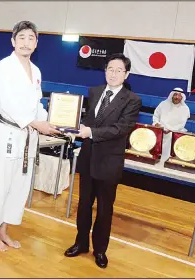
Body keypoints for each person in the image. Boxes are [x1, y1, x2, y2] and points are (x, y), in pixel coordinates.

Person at [0, 21, 60, 252]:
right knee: (0, 185)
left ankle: (4, 229)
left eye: (31, 38)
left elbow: (36, 104)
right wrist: (36, 123)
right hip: (8, 133)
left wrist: (49, 121)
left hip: (28, 136)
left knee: (19, 187)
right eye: (22, 37)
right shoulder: (3, 67)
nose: (26, 42)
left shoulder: (35, 71)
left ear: (36, 43)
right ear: (13, 41)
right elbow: (7, 104)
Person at [64, 53, 141, 268]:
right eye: (110, 69)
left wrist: (91, 132)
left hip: (109, 162)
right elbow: (88, 121)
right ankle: (81, 243)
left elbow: (121, 129)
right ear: (105, 71)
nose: (113, 74)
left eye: (118, 70)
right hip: (88, 158)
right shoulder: (94, 92)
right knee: (84, 205)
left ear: (126, 74)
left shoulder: (133, 100)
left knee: (105, 209)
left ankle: (100, 250)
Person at [153, 87, 190, 162]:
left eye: (179, 96)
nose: (177, 97)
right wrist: (157, 123)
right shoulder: (163, 104)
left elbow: (181, 124)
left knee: (171, 136)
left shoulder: (185, 109)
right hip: (160, 129)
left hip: (175, 132)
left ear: (182, 97)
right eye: (175, 95)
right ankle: (154, 157)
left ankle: (167, 160)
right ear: (172, 95)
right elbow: (156, 116)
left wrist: (170, 130)